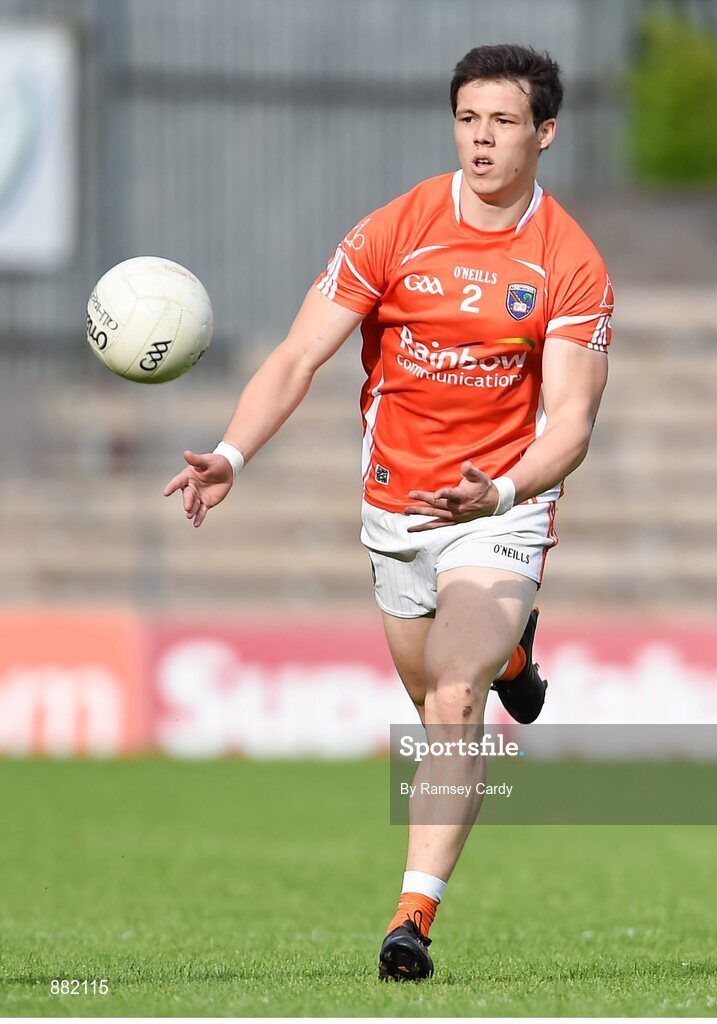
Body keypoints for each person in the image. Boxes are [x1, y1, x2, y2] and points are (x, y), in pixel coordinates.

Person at [164, 43, 612, 982]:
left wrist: (504, 491)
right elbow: (298, 356)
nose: (481, 139)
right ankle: (514, 655)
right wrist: (232, 455)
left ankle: (412, 919)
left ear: (545, 133)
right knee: (430, 693)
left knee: (453, 699)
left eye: (503, 122)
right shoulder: (394, 230)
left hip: (499, 508)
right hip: (397, 509)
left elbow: (571, 422)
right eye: (468, 119)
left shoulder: (569, 261)